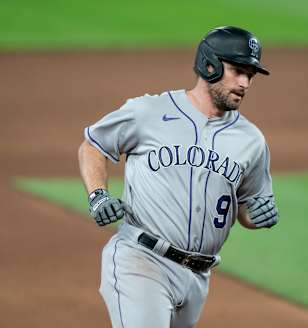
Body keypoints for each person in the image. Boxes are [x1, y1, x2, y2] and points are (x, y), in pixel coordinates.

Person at [78, 26, 279, 328]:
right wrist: (98, 195)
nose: (245, 83)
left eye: (250, 75)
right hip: (141, 260)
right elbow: (93, 145)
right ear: (209, 64)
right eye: (238, 70)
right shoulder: (149, 111)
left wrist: (258, 214)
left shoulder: (251, 140)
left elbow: (246, 207)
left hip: (197, 277)